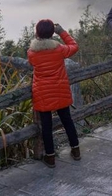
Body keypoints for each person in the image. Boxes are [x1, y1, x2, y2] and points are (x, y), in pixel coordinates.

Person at [27, 20, 80, 168]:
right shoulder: (60, 50)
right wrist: (62, 32)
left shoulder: (32, 53)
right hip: (60, 90)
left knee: (46, 125)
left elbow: (32, 64)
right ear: (52, 33)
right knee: (67, 121)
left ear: (37, 33)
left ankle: (50, 158)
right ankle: (76, 150)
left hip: (43, 92)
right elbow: (74, 47)